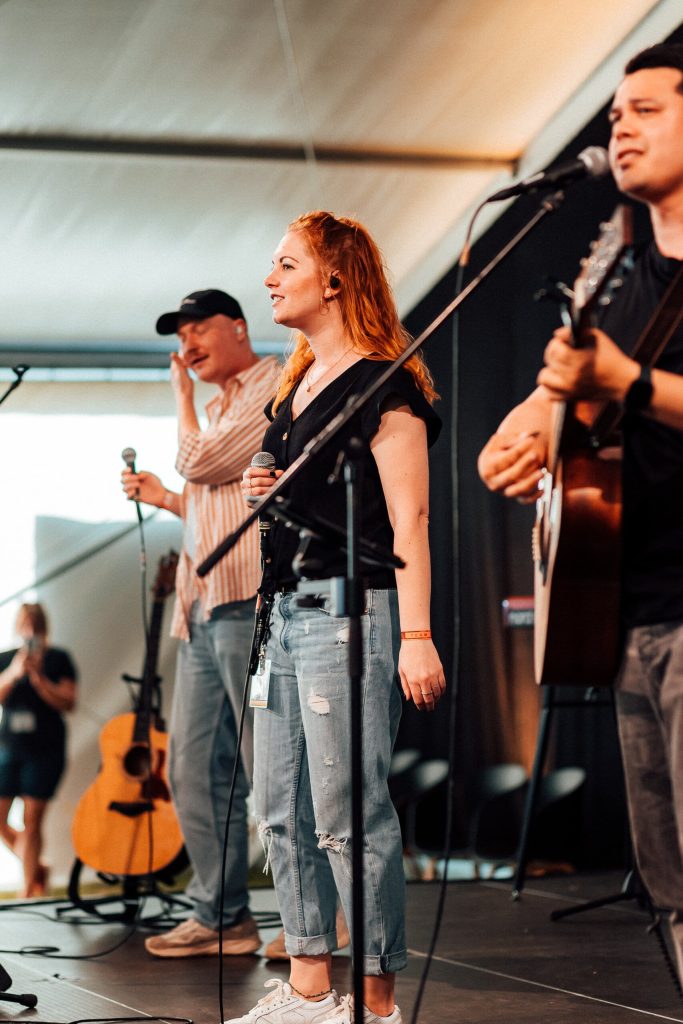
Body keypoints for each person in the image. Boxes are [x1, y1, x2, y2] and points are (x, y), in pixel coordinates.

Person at [478, 43, 683, 982]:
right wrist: (516, 436)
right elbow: (556, 390)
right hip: (626, 612)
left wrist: (627, 382)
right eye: (612, 116)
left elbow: (613, 378)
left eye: (645, 109)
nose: (619, 128)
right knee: (667, 879)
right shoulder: (617, 272)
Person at [226, 211, 446, 1024]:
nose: (269, 279)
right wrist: (263, 486)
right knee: (279, 810)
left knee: (347, 814)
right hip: (284, 613)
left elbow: (409, 520)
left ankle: (377, 1003)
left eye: (285, 264)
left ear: (335, 277)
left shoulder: (384, 384)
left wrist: (416, 636)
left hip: (351, 612)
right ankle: (310, 986)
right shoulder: (294, 389)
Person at [122, 288, 280, 957]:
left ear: (238, 327)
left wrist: (180, 396)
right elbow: (215, 503)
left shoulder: (269, 385)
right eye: (179, 335)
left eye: (198, 329)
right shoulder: (219, 411)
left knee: (269, 767)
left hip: (248, 602)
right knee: (190, 769)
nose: (186, 344)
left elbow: (199, 461)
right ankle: (221, 917)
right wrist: (167, 499)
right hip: (199, 607)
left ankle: (318, 917)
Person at [0, 602, 77, 897]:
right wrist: (15, 672)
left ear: (44, 628)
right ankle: (35, 868)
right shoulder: (7, 658)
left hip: (45, 749)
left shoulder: (58, 659)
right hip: (9, 748)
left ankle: (28, 891)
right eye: (25, 625)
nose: (30, 631)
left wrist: (39, 680)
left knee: (31, 821)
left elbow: (69, 702)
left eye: (36, 625)